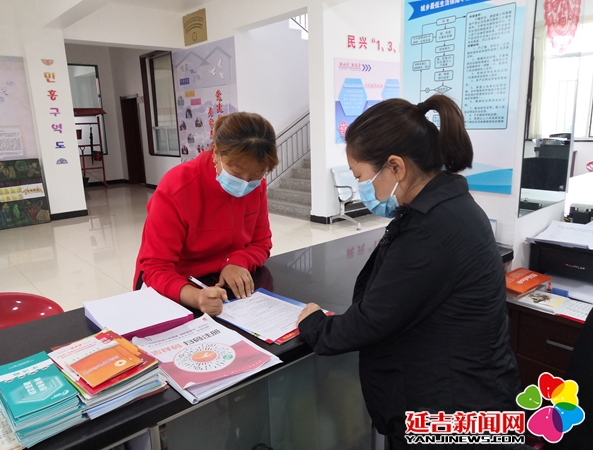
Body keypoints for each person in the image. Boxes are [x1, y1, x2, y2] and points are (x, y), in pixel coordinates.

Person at [296, 95, 522, 448]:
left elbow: (373, 319)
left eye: (361, 176)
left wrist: (314, 324)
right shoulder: (448, 206)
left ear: (396, 167)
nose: (362, 188)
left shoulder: (433, 229)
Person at [134, 112, 278, 316]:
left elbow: (261, 243)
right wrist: (195, 297)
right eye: (237, 173)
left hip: (223, 286)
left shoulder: (257, 186)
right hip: (176, 288)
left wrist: (237, 262)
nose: (245, 184)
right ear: (216, 152)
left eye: (256, 175)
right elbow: (155, 267)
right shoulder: (177, 187)